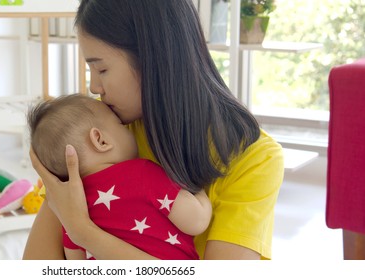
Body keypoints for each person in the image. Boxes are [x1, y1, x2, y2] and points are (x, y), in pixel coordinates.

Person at [23, 0, 284, 260]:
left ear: (154, 58)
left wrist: (84, 232)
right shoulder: (106, 137)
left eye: (101, 68)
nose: (94, 87)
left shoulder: (255, 158)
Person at [27, 93, 212, 260]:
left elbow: (76, 263)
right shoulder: (142, 174)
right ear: (101, 140)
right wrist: (199, 189)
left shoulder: (69, 209)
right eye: (121, 124)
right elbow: (196, 221)